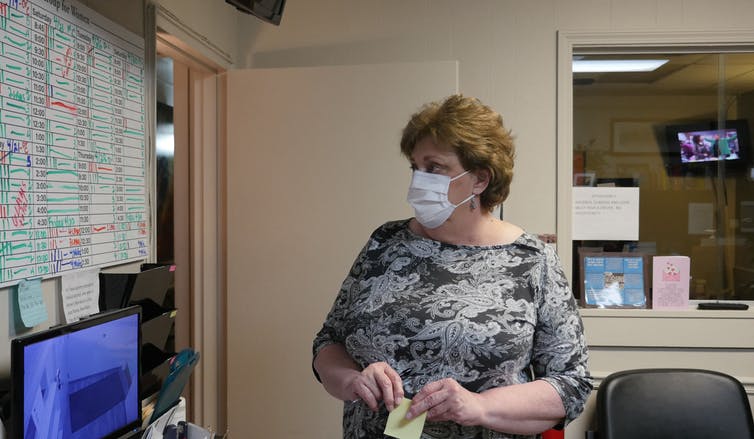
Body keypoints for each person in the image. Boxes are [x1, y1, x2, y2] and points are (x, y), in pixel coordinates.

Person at [312, 94, 591, 439]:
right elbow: (329, 341)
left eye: (434, 168)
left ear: (480, 179)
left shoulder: (531, 259)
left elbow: (571, 385)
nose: (418, 180)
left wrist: (479, 405)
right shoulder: (385, 242)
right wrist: (353, 381)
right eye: (415, 167)